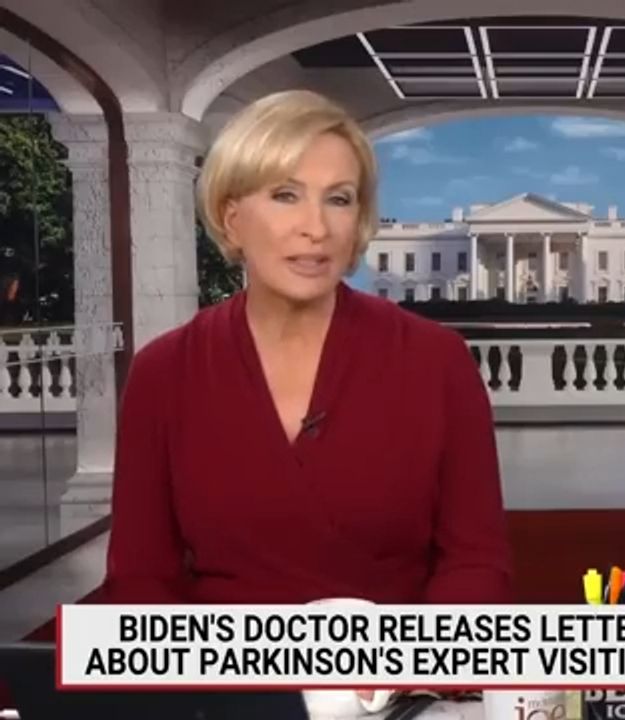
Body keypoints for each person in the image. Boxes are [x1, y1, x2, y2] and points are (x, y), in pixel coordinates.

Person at [102, 89, 513, 607]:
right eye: (285, 195)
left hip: (400, 657)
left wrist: (408, 655)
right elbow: (139, 579)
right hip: (223, 657)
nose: (316, 229)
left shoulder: (437, 361)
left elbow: (476, 564)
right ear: (231, 218)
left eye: (338, 199)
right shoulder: (164, 372)